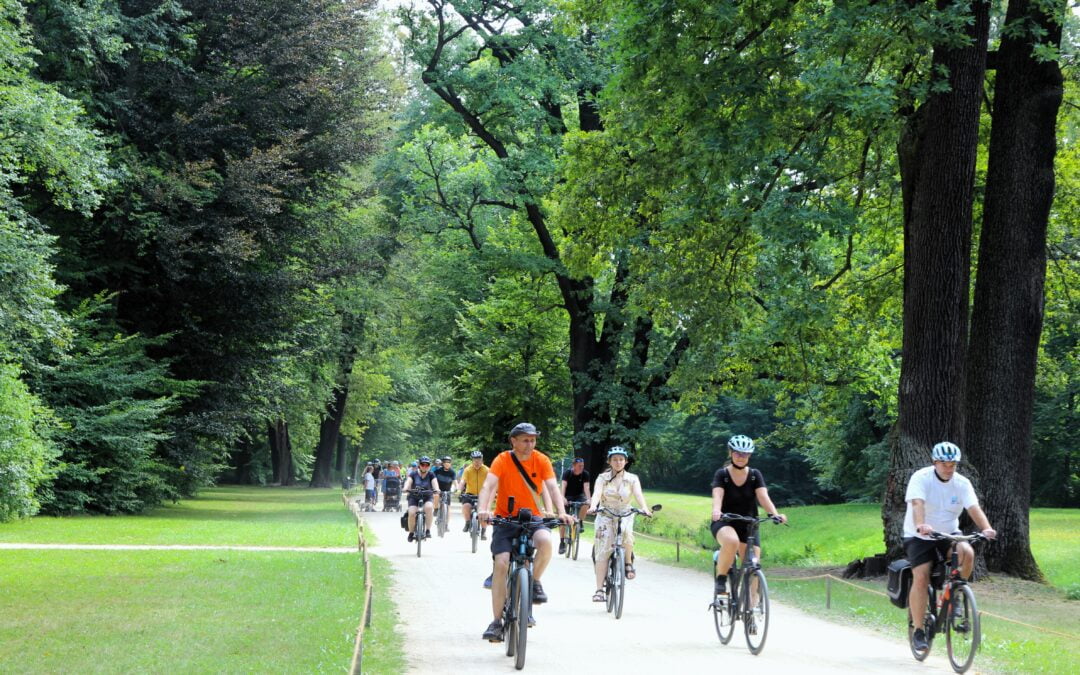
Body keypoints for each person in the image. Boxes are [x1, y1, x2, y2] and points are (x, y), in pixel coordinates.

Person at [477, 423, 572, 642]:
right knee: (501, 563)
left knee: (546, 541)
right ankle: (496, 621)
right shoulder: (502, 459)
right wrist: (483, 510)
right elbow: (488, 486)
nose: (530, 444)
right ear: (514, 441)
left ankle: (534, 581)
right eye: (525, 440)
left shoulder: (542, 460)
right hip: (505, 519)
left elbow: (552, 487)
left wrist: (562, 512)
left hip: (532, 518)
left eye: (533, 440)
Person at [904, 441, 996, 652]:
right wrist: (920, 525)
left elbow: (974, 508)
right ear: (935, 462)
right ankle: (919, 631)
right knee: (921, 576)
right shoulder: (921, 478)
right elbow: (917, 503)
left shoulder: (962, 483)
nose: (949, 468)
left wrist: (987, 528)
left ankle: (955, 594)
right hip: (919, 534)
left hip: (947, 532)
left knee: (967, 551)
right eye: (945, 464)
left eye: (953, 464)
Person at [710, 435, 787, 599]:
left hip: (749, 524)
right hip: (725, 522)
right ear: (731, 453)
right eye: (737, 453)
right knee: (731, 542)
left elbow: (763, 497)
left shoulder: (754, 475)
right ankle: (721, 580)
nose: (740, 457)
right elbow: (718, 495)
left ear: (749, 456)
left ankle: (752, 610)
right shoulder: (722, 474)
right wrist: (716, 510)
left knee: (753, 566)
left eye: (745, 454)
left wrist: (774, 514)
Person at [587, 447, 653, 602]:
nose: (618, 462)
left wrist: (644, 508)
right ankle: (599, 590)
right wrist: (593, 506)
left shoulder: (632, 478)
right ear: (609, 461)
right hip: (605, 514)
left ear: (626, 461)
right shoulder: (602, 478)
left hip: (625, 513)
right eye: (615, 459)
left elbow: (638, 494)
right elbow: (597, 493)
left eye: (621, 459)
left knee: (627, 535)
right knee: (603, 550)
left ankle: (628, 563)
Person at [558, 457, 591, 555]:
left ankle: (580, 522)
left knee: (586, 503)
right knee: (563, 520)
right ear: (574, 466)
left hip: (578, 496)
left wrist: (589, 499)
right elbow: (563, 486)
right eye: (579, 466)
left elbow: (586, 487)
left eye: (582, 466)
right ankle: (562, 542)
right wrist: (563, 498)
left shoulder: (585, 474)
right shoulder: (568, 473)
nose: (581, 467)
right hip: (567, 496)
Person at [403, 456, 441, 541]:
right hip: (414, 497)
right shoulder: (413, 474)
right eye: (422, 464)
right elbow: (408, 481)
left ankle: (428, 530)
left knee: (429, 508)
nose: (424, 466)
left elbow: (435, 483)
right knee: (412, 513)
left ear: (429, 466)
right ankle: (411, 532)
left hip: (427, 496)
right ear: (419, 465)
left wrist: (437, 489)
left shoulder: (431, 474)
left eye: (427, 465)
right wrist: (405, 488)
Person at [457, 450, 490, 539]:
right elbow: (463, 481)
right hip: (470, 493)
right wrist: (459, 490)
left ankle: (483, 531)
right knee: (466, 506)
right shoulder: (467, 470)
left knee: (483, 513)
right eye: (475, 460)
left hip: (483, 494)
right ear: (472, 460)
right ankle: (467, 522)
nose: (477, 462)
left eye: (479, 460)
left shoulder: (487, 470)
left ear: (482, 460)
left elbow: (491, 482)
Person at [433, 456, 457, 528]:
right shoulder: (437, 471)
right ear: (442, 463)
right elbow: (433, 480)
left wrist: (458, 489)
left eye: (448, 462)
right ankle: (436, 509)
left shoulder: (452, 472)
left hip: (447, 491)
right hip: (438, 490)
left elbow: (455, 481)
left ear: (450, 463)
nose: (447, 464)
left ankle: (446, 525)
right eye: (445, 462)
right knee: (436, 496)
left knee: (448, 508)